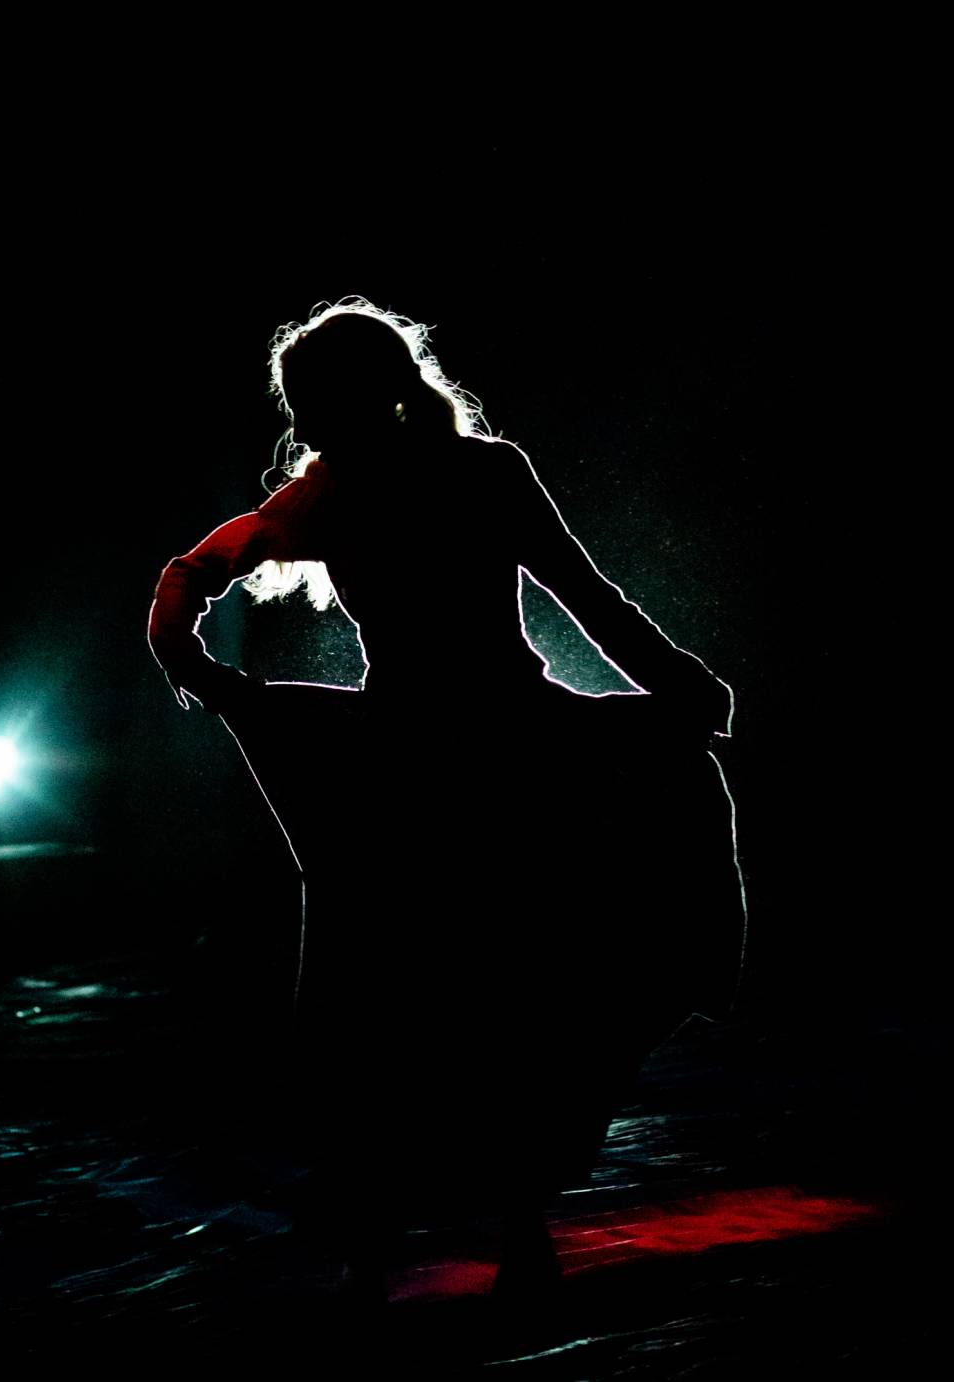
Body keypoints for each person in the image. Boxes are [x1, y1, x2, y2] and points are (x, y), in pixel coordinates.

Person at [147, 298, 742, 1312]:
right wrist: (676, 679)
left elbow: (581, 593)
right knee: (466, 995)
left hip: (439, 758)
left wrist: (192, 658)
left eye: (311, 401)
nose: (304, 423)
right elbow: (585, 597)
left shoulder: (376, 488)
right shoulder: (370, 487)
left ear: (364, 393)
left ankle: (442, 1237)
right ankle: (460, 1234)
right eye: (298, 405)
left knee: (438, 994)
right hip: (470, 755)